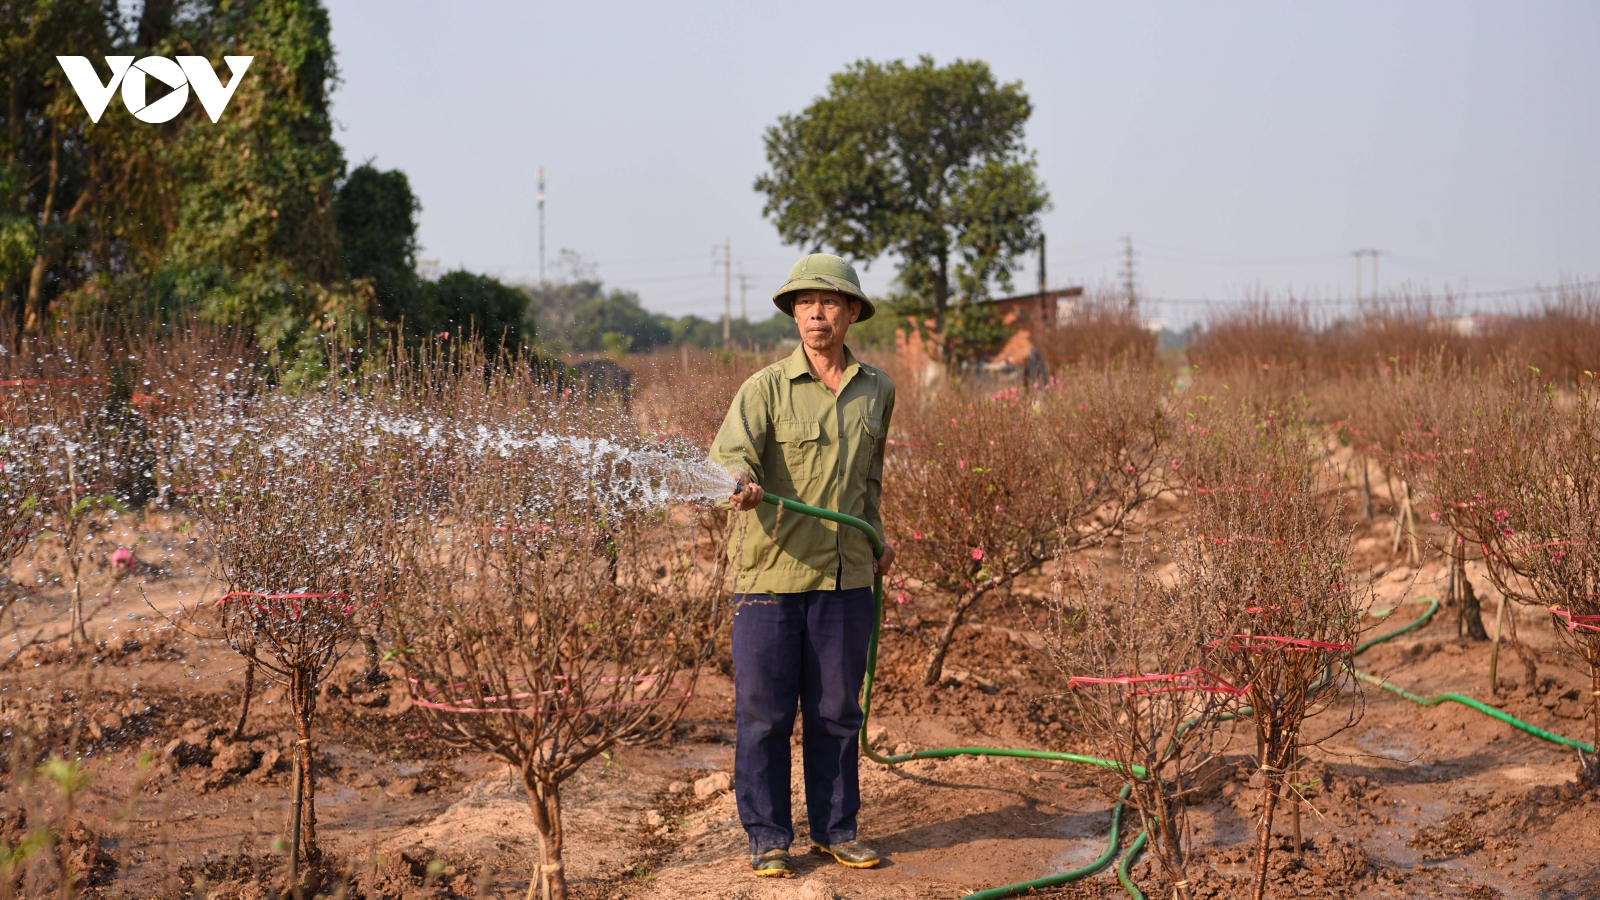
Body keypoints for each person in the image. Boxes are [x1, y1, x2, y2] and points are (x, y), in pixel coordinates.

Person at [710, 253, 896, 878]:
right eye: (806, 303)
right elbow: (731, 457)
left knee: (838, 711)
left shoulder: (878, 389)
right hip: (771, 576)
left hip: (847, 577)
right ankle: (767, 838)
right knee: (764, 713)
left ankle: (836, 830)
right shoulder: (763, 388)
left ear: (851, 313)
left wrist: (876, 536)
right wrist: (741, 480)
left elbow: (868, 480)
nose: (818, 314)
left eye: (832, 303)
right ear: (793, 312)